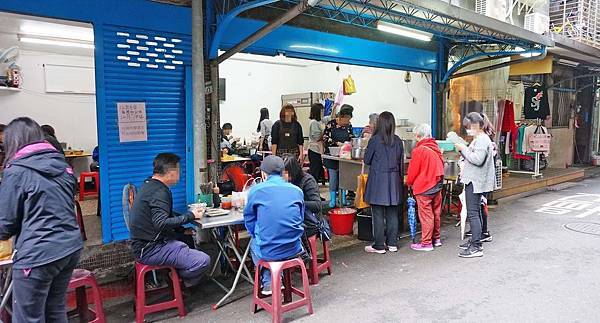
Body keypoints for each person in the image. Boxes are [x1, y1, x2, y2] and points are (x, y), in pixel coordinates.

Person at [0, 117, 83, 322]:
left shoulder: (16, 171)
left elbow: (5, 224)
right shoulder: (63, 166)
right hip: (69, 248)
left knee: (28, 317)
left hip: (38, 255)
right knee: (55, 310)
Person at [129, 153, 211, 287]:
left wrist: (181, 229)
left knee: (187, 238)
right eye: (179, 170)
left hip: (145, 243)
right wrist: (191, 216)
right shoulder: (160, 192)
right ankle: (178, 279)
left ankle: (179, 280)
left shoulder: (149, 185)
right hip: (150, 248)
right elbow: (161, 222)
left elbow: (165, 214)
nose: (180, 173)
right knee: (203, 261)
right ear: (171, 172)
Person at [243, 155, 304, 294]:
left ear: (264, 173)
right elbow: (299, 218)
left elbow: (249, 219)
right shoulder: (296, 191)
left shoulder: (256, 191)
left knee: (255, 242)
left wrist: (256, 235)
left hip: (269, 251)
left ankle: (269, 281)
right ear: (283, 173)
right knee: (267, 240)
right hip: (294, 248)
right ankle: (275, 279)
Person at [454, 112, 496, 258]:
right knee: (475, 212)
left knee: (473, 213)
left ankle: (476, 246)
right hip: (476, 180)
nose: (467, 130)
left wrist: (462, 149)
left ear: (475, 125)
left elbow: (477, 159)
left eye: (468, 127)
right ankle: (474, 241)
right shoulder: (480, 138)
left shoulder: (482, 140)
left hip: (475, 181)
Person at [363, 112, 404, 254]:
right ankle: (392, 244)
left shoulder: (374, 140)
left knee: (378, 213)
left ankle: (379, 245)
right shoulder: (398, 141)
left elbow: (367, 160)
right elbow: (401, 163)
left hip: (378, 181)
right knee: (392, 212)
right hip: (394, 181)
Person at [406, 123, 444, 252]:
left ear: (418, 136)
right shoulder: (435, 147)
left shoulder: (419, 150)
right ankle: (436, 238)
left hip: (425, 186)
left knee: (426, 215)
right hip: (437, 184)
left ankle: (426, 243)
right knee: (436, 212)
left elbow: (413, 171)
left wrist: (409, 183)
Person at [283, 154, 323, 239]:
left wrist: (297, 203)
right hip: (290, 218)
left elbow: (317, 205)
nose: (283, 176)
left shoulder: (307, 180)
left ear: (293, 171)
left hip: (309, 221)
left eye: (286, 172)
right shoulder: (282, 181)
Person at [323, 104, 354, 208]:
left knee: (343, 177)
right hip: (331, 156)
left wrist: (351, 143)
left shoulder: (348, 126)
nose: (348, 122)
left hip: (344, 157)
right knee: (333, 178)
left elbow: (351, 137)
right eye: (347, 119)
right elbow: (325, 138)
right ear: (341, 117)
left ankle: (343, 198)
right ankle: (332, 200)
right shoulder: (331, 124)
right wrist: (338, 144)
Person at [307, 103, 325, 184]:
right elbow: (317, 137)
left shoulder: (319, 121)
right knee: (315, 171)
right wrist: (325, 134)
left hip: (318, 149)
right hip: (314, 150)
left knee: (317, 170)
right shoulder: (314, 122)